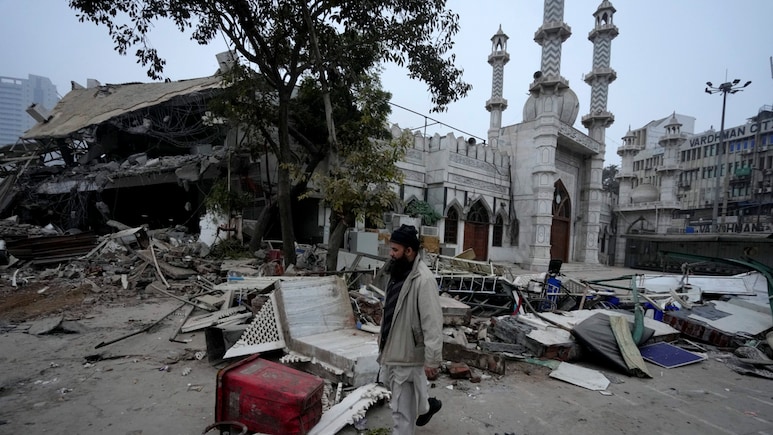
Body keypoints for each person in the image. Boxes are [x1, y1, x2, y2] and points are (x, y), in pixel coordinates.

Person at [377, 224, 443, 434]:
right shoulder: (397, 272)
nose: (391, 254)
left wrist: (432, 359)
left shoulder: (423, 280)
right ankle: (425, 408)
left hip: (407, 354)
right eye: (391, 249)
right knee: (406, 396)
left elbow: (432, 322)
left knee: (401, 413)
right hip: (393, 350)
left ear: (409, 251)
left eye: (395, 250)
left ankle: (420, 411)